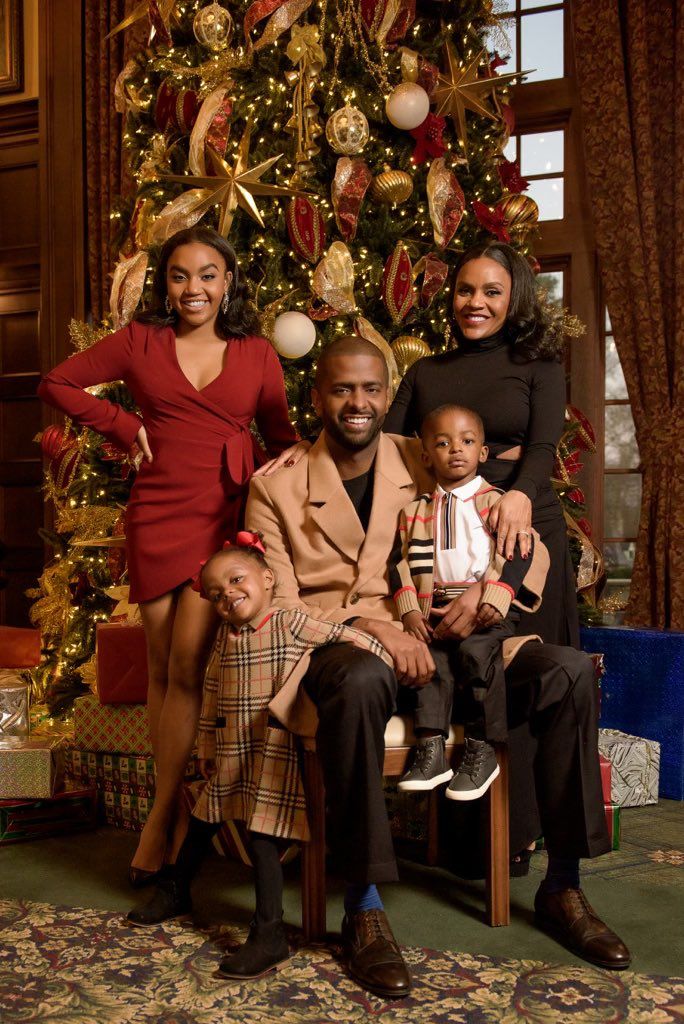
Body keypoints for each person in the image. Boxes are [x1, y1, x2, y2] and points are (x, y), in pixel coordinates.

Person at [248, 335, 632, 974]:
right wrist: (380, 627)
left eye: (372, 388)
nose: (359, 402)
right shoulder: (278, 487)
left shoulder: (427, 452)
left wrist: (490, 589)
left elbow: (519, 540)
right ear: (318, 397)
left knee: (566, 672)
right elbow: (281, 608)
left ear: (387, 393)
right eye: (342, 388)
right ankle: (364, 904)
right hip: (349, 646)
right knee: (362, 680)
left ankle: (563, 882)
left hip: (460, 641)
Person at [37, 226, 298, 885]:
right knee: (164, 669)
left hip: (226, 516)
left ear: (229, 282)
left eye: (208, 275)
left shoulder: (259, 352)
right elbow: (59, 383)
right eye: (181, 276)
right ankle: (172, 812)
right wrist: (124, 427)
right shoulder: (140, 342)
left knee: (190, 665)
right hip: (158, 514)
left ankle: (164, 817)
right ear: (166, 284)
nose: (194, 289)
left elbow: (280, 439)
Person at [383, 241, 583, 870]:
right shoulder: (426, 373)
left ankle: (525, 833)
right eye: (466, 290)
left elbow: (543, 446)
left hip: (522, 535)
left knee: (522, 681)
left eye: (491, 292)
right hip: (444, 538)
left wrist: (519, 495)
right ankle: (469, 840)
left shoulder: (539, 366)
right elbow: (385, 450)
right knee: (462, 674)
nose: (476, 303)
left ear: (514, 297)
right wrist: (304, 456)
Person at [127, 531, 390, 981]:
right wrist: (207, 748)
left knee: (262, 840)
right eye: (215, 593)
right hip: (231, 754)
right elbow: (210, 696)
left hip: (271, 755)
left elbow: (348, 638)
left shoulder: (290, 621)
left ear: (268, 578)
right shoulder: (225, 639)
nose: (226, 594)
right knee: (202, 821)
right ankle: (175, 888)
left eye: (236, 579)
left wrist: (381, 657)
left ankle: (268, 932)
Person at [390, 404, 549, 800]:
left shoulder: (496, 503)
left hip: (487, 607)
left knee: (478, 655)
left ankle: (483, 748)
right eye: (442, 443)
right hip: (435, 609)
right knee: (430, 664)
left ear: (483, 452)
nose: (455, 450)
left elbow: (520, 552)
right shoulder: (413, 512)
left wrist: (496, 597)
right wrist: (410, 610)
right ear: (426, 455)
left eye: (466, 441)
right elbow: (398, 565)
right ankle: (430, 748)